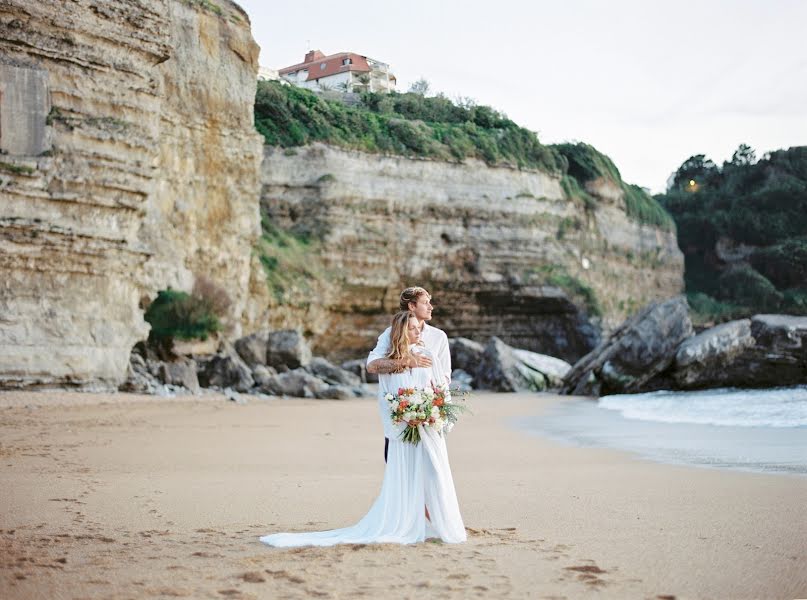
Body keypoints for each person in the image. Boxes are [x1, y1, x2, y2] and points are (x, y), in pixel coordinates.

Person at [259, 311, 466, 547]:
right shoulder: (392, 362)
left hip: (429, 427)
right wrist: (411, 407)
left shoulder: (427, 354)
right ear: (401, 332)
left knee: (434, 473)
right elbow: (395, 394)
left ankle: (437, 521)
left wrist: (436, 412)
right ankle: (418, 522)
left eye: (419, 328)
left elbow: (439, 386)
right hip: (407, 428)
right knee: (411, 476)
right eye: (413, 329)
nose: (419, 332)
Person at [367, 286, 451, 462]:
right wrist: (405, 362)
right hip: (398, 413)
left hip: (428, 414)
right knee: (396, 461)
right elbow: (372, 366)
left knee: (430, 463)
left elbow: (444, 377)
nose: (431, 307)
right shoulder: (389, 335)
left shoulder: (439, 337)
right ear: (412, 306)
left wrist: (432, 407)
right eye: (425, 303)